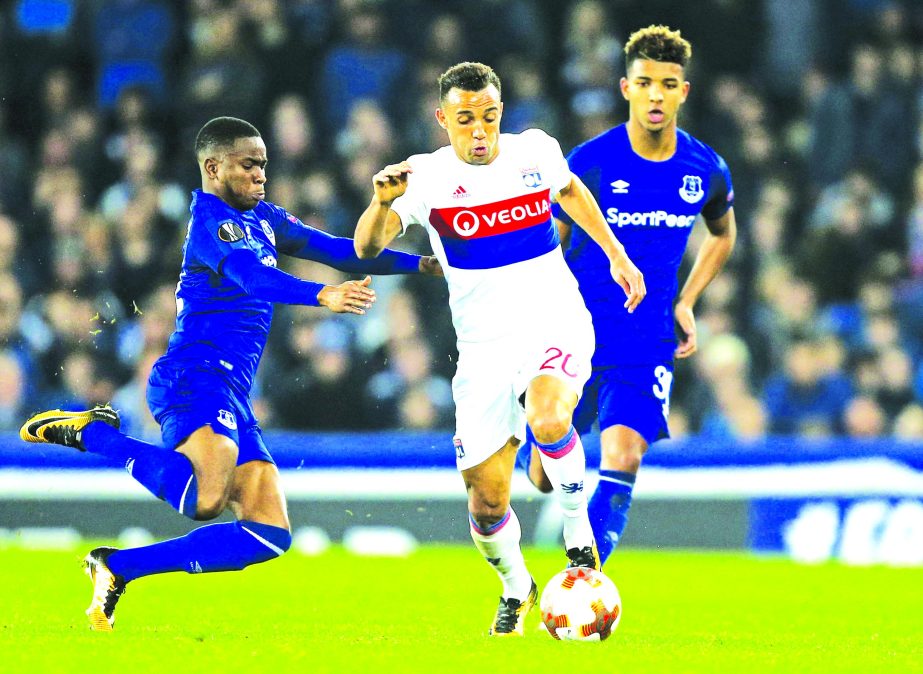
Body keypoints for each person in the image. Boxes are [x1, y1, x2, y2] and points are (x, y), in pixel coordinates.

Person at [20, 116, 440, 631]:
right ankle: (96, 435)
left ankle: (118, 567)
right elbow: (252, 277)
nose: (262, 174)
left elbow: (339, 250)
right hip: (193, 376)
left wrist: (422, 265)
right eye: (249, 165)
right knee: (204, 498)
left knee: (268, 533)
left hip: (230, 390)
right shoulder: (211, 225)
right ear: (214, 168)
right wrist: (321, 294)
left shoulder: (263, 218)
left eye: (263, 163)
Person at [353, 62, 645, 636]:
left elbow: (570, 191)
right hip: (484, 350)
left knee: (548, 412)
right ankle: (517, 587)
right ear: (443, 120)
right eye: (466, 120)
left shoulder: (534, 151)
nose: (480, 131)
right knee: (487, 507)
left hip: (553, 321)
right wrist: (383, 203)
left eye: (489, 116)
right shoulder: (426, 178)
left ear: (501, 112)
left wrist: (615, 253)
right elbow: (366, 249)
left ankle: (578, 536)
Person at [519, 25, 737, 567]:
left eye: (668, 83)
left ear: (684, 91)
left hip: (647, 338)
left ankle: (582, 577)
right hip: (578, 332)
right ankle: (539, 439)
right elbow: (550, 239)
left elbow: (724, 233)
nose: (657, 94)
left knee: (623, 455)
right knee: (541, 476)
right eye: (645, 83)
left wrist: (686, 301)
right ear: (626, 88)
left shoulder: (704, 168)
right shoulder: (590, 161)